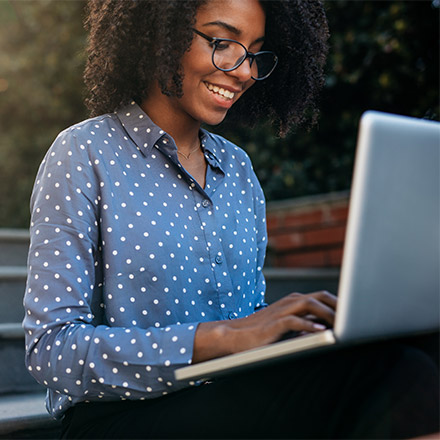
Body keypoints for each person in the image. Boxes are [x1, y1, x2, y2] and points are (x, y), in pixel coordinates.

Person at [23, 0, 439, 438]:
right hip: (118, 418)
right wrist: (220, 338)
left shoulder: (237, 169)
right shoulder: (83, 153)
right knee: (389, 377)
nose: (244, 71)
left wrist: (295, 333)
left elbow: (247, 317)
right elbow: (51, 351)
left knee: (413, 353)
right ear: (159, 34)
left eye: (255, 52)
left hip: (229, 397)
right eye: (223, 42)